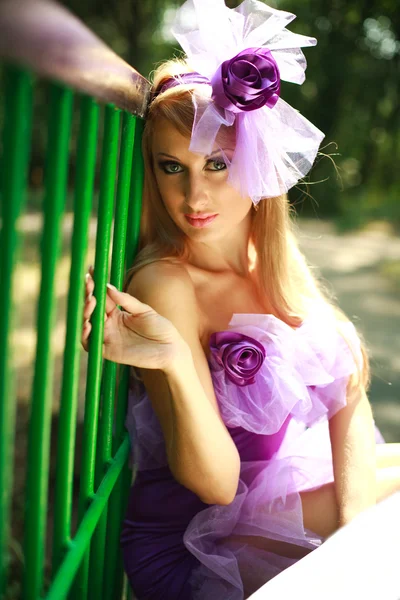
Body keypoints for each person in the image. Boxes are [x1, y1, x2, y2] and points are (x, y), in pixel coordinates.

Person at [81, 1, 400, 598]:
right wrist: (176, 360)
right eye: (171, 167)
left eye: (219, 164)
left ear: (258, 163)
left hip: (274, 505)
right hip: (200, 545)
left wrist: (355, 545)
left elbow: (346, 387)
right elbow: (217, 486)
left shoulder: (265, 256)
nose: (193, 195)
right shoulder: (167, 282)